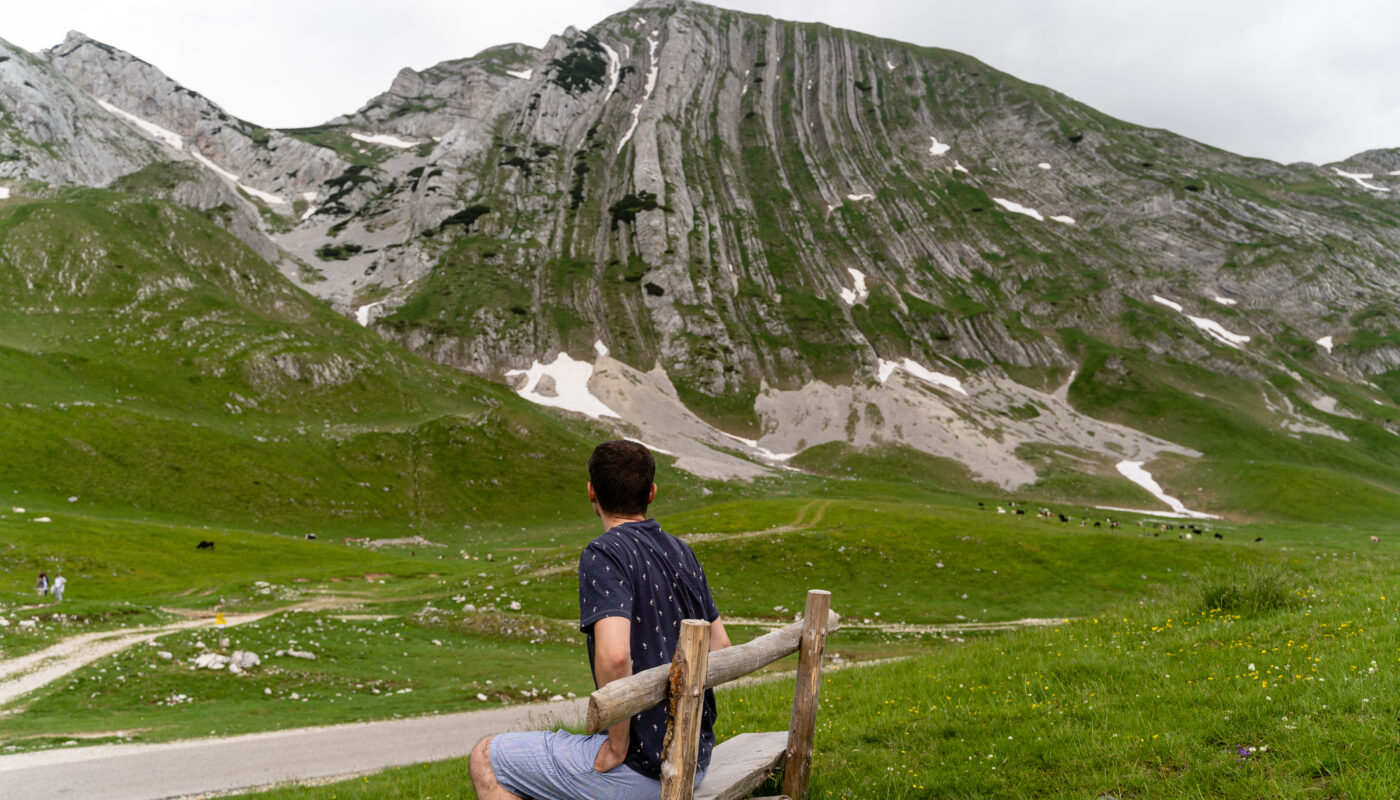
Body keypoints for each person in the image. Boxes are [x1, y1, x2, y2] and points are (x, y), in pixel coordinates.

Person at [469, 440, 731, 800]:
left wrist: (617, 744)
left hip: (645, 769)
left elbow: (615, 656)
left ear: (591, 492)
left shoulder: (605, 553)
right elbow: (722, 647)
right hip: (695, 762)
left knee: (486, 758)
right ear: (651, 492)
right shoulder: (683, 551)